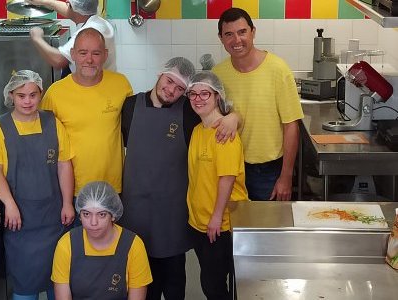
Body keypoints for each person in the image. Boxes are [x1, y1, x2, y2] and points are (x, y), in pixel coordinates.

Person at [119, 57, 239, 300]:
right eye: (169, 81)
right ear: (160, 74)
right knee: (141, 279)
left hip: (174, 213)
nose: (171, 90)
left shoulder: (187, 110)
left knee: (175, 282)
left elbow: (216, 116)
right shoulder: (129, 106)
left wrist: (234, 117)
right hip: (136, 209)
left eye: (180, 88)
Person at [0, 70, 75, 300]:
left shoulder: (53, 123)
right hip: (20, 222)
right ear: (11, 95)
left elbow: (64, 166)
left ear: (41, 94)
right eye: (21, 95)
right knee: (25, 285)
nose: (27, 101)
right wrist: (9, 204)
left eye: (33, 95)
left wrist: (67, 203)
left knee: (60, 281)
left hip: (54, 219)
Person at [212, 7, 304, 201]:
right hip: (229, 167)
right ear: (221, 38)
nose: (236, 40)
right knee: (234, 228)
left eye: (242, 32)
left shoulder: (278, 70)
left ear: (253, 32)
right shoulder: (218, 75)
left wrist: (286, 177)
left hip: (268, 171)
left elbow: (291, 126)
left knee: (266, 227)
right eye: (229, 34)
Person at [41, 27, 132, 196]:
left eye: (96, 53)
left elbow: (136, 125)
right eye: (83, 53)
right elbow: (37, 133)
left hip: (113, 187)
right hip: (72, 190)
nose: (89, 60)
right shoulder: (55, 93)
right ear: (73, 54)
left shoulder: (121, 85)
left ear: (105, 55)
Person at [186, 71, 248, 300]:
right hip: (199, 222)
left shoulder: (224, 133)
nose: (198, 99)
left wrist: (216, 217)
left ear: (217, 96)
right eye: (193, 94)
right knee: (209, 281)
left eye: (205, 93)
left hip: (221, 224)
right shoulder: (197, 131)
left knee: (215, 286)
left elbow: (227, 178)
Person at [51, 181, 153, 300]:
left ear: (113, 215)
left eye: (102, 214)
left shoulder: (133, 245)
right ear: (79, 215)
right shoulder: (66, 244)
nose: (93, 223)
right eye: (86, 214)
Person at [28, 0, 116, 71]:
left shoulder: (89, 32)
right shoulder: (97, 20)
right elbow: (73, 10)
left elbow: (58, 60)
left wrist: (37, 38)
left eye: (69, 3)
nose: (66, 3)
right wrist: (44, 1)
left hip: (94, 86)